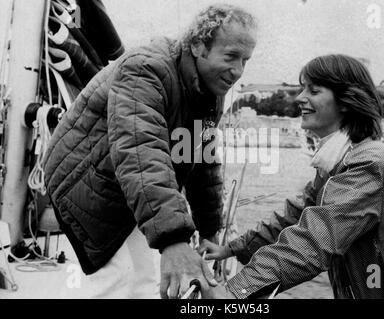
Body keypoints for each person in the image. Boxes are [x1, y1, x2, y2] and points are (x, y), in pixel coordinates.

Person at [42, 4, 257, 299]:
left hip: (129, 183)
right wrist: (172, 240)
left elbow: (202, 163)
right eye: (231, 56)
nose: (238, 71)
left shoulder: (209, 91)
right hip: (84, 179)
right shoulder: (146, 69)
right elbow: (141, 150)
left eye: (245, 60)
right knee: (118, 281)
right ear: (197, 45)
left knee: (146, 279)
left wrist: (209, 231)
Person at [199, 54, 384, 299]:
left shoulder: (369, 162)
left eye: (313, 90)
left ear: (345, 101)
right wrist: (229, 249)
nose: (300, 98)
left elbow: (313, 240)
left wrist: (233, 292)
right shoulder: (335, 163)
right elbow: (293, 218)